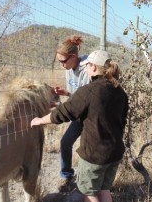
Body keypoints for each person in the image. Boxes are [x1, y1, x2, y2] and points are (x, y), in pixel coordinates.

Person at [31, 50, 129, 202]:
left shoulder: (89, 90)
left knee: (89, 194)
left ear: (94, 67)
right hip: (114, 153)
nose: (86, 68)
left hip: (94, 155)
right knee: (104, 189)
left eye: (88, 65)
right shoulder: (120, 92)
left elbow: (64, 112)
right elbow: (122, 122)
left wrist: (39, 120)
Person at [54, 35, 90, 191]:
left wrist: (62, 107)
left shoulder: (87, 70)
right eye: (59, 62)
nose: (61, 65)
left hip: (89, 116)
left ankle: (86, 182)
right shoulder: (69, 68)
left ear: (73, 56)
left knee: (86, 148)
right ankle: (67, 177)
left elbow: (85, 99)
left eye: (63, 61)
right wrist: (66, 93)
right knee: (65, 142)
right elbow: (75, 95)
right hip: (77, 114)